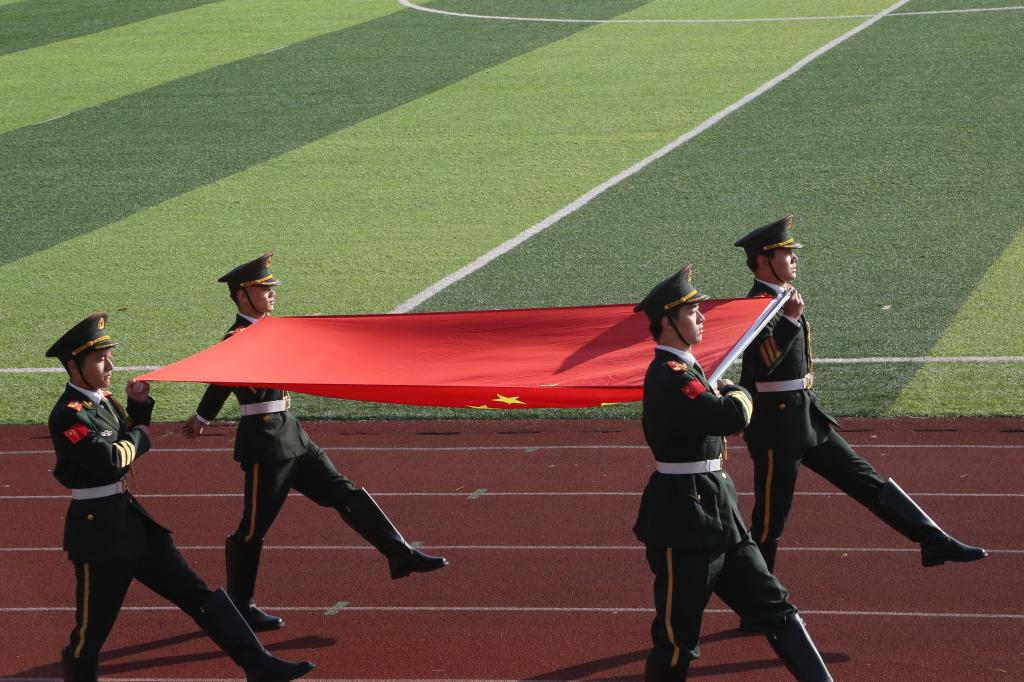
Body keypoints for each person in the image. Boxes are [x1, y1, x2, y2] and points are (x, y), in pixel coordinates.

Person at [182, 253, 447, 631]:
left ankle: (399, 553)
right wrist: (202, 417)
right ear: (242, 295)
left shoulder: (270, 330)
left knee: (343, 492)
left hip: (292, 433)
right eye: (263, 288)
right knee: (254, 527)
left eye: (271, 287)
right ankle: (240, 605)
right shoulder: (237, 339)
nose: (272, 293)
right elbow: (223, 380)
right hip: (265, 443)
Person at [46, 313, 314, 682]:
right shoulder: (68, 415)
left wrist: (139, 406)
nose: (110, 366)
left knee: (196, 593)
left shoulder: (103, 402)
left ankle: (259, 664)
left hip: (130, 520)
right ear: (74, 366)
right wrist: (140, 434)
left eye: (109, 357)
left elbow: (126, 435)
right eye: (100, 359)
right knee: (90, 634)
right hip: (99, 535)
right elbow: (109, 461)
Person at [734, 214, 987, 574]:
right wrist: (789, 320)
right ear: (763, 260)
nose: (795, 257)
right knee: (769, 523)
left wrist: (789, 316)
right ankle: (757, 597)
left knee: (865, 480)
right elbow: (763, 365)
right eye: (785, 252)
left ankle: (932, 539)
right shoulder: (757, 304)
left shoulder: (783, 298)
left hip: (805, 418)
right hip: (776, 429)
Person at [633, 267, 832, 681]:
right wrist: (740, 389)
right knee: (677, 642)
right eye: (691, 311)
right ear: (668, 322)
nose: (701, 316)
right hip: (684, 520)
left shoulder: (690, 370)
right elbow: (730, 417)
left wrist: (723, 390)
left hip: (720, 513)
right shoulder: (670, 375)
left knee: (776, 608)